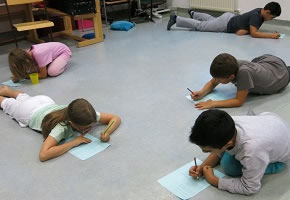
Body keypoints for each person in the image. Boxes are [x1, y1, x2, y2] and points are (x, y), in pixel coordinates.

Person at [0, 85, 121, 162]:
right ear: (71, 123)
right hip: (27, 112)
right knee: (8, 103)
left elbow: (115, 118)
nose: (90, 127)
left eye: (91, 124)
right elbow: (43, 155)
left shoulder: (87, 115)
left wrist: (107, 131)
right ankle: (6, 94)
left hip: (43, 102)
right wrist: (74, 142)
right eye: (84, 127)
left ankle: (7, 90)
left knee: (25, 99)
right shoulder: (61, 128)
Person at [188, 109, 290, 195]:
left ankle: (275, 165)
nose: (204, 152)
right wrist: (202, 167)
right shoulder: (227, 123)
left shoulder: (252, 150)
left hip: (282, 151)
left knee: (230, 168)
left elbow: (250, 187)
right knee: (226, 161)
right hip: (272, 123)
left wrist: (213, 180)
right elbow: (218, 150)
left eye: (208, 151)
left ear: (228, 144)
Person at [190, 53, 290, 110]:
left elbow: (238, 101)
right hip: (269, 61)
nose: (215, 81)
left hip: (281, 76)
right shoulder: (231, 65)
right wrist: (202, 92)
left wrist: (213, 103)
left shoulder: (244, 73)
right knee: (255, 66)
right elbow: (212, 83)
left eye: (218, 80)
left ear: (231, 77)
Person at [167, 2, 281, 39]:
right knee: (202, 26)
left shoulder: (259, 11)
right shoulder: (257, 17)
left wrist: (244, 30)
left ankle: (193, 13)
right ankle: (177, 19)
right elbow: (254, 33)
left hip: (229, 18)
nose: (270, 20)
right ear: (267, 12)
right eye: (272, 17)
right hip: (226, 24)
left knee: (211, 20)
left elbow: (249, 28)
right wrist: (272, 36)